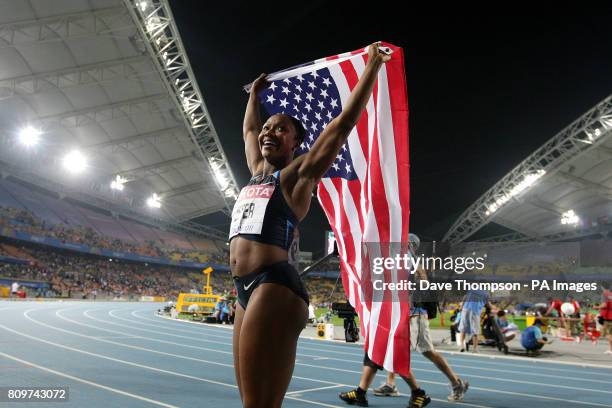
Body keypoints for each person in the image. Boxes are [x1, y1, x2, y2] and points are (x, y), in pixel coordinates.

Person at [231, 42, 391, 408]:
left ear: (297, 142)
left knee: (257, 404)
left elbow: (342, 124)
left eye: (281, 130)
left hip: (274, 285)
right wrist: (255, 95)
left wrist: (371, 67)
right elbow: (248, 131)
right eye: (268, 128)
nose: (269, 132)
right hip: (244, 289)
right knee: (252, 400)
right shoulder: (256, 173)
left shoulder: (297, 175)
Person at [372, 237, 468, 403]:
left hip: (416, 315)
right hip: (403, 314)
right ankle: (391, 383)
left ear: (412, 246)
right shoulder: (401, 263)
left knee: (427, 351)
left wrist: (417, 281)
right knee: (395, 349)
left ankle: (456, 382)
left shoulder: (416, 264)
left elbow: (423, 287)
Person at [339, 353, 431, 408]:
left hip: (390, 324)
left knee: (395, 358)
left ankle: (419, 393)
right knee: (372, 354)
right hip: (379, 324)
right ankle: (360, 393)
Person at [597, 284, 612, 355]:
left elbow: (604, 305)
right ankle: (610, 349)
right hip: (609, 316)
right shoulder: (611, 294)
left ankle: (611, 349)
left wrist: (596, 307)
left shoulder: (604, 294)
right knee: (608, 333)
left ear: (602, 287)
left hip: (607, 317)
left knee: (607, 333)